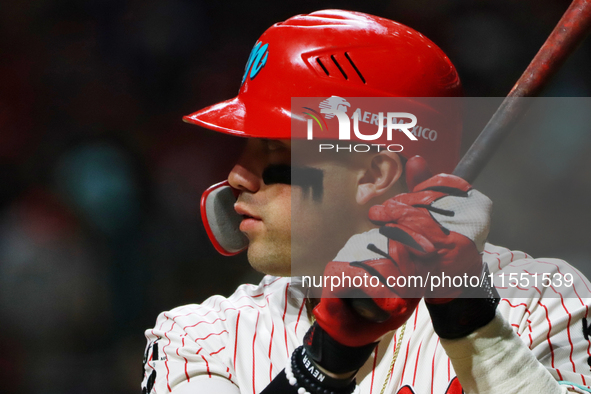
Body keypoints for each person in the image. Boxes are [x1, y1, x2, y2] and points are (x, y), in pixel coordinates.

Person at [141, 10, 591, 394]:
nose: (237, 175)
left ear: (375, 174)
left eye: (275, 150)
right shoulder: (200, 336)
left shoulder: (541, 298)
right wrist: (323, 364)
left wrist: (474, 325)